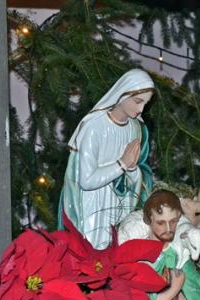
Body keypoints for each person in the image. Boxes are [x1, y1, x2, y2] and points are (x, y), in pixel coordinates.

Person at [59, 69, 156, 249]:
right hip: (91, 204)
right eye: (138, 101)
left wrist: (132, 169)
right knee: (93, 251)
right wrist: (122, 164)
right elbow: (86, 181)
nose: (141, 109)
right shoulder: (94, 127)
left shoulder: (135, 128)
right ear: (122, 94)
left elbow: (133, 176)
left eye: (145, 103)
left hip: (116, 203)